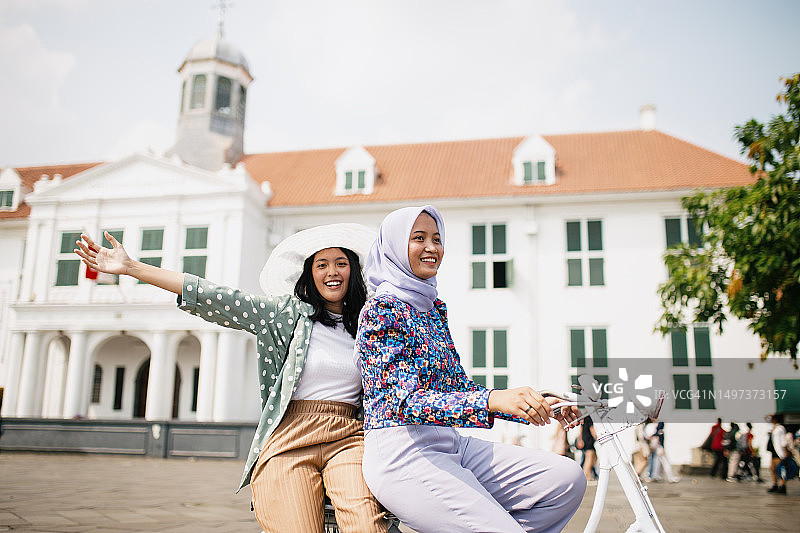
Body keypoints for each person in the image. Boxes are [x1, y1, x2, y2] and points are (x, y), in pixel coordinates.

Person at [75, 226, 388, 533]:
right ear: (310, 274)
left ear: (353, 272)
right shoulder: (286, 315)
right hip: (290, 438)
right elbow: (217, 297)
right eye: (322, 264)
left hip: (348, 437)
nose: (332, 272)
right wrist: (131, 267)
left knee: (365, 522)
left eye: (341, 263)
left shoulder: (369, 324)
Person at [354, 205, 586, 533]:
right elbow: (404, 402)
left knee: (566, 479)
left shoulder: (432, 309)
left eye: (437, 238)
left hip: (451, 444)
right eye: (418, 238)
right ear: (393, 247)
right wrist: (493, 400)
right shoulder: (381, 310)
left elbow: (457, 389)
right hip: (402, 453)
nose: (432, 247)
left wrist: (536, 403)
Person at [767, 414, 794, 494]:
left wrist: (785, 451)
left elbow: (783, 441)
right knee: (772, 468)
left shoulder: (780, 428)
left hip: (779, 452)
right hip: (773, 451)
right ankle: (775, 484)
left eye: (771, 418)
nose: (770, 420)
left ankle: (783, 486)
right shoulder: (774, 428)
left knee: (781, 469)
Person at [577, 416, 598, 483]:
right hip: (589, 440)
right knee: (589, 459)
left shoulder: (583, 417)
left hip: (585, 439)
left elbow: (581, 429)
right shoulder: (589, 417)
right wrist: (598, 438)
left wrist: (580, 439)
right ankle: (586, 477)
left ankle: (588, 476)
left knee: (593, 458)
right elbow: (592, 429)